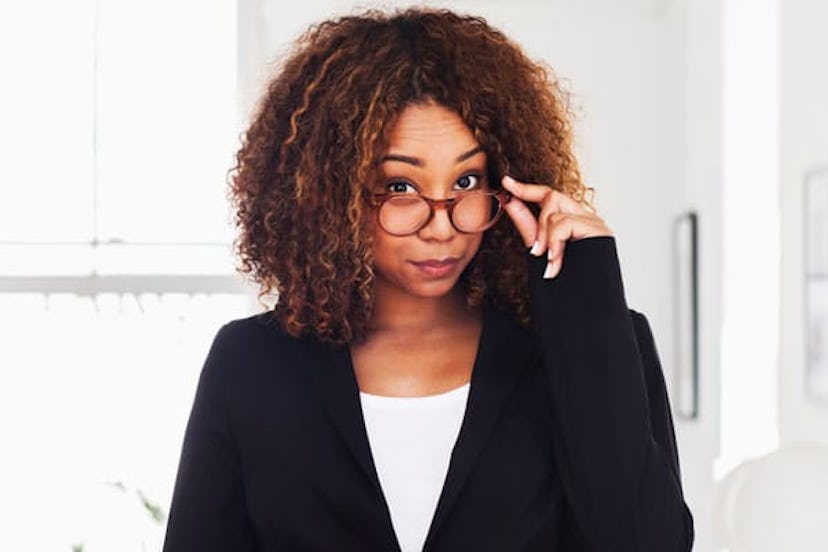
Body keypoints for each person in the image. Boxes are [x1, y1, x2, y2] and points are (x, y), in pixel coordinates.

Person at [162, 7, 694, 551]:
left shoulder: (591, 345)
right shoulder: (250, 364)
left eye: (466, 180)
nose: (442, 225)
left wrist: (588, 291)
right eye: (400, 187)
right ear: (329, 195)